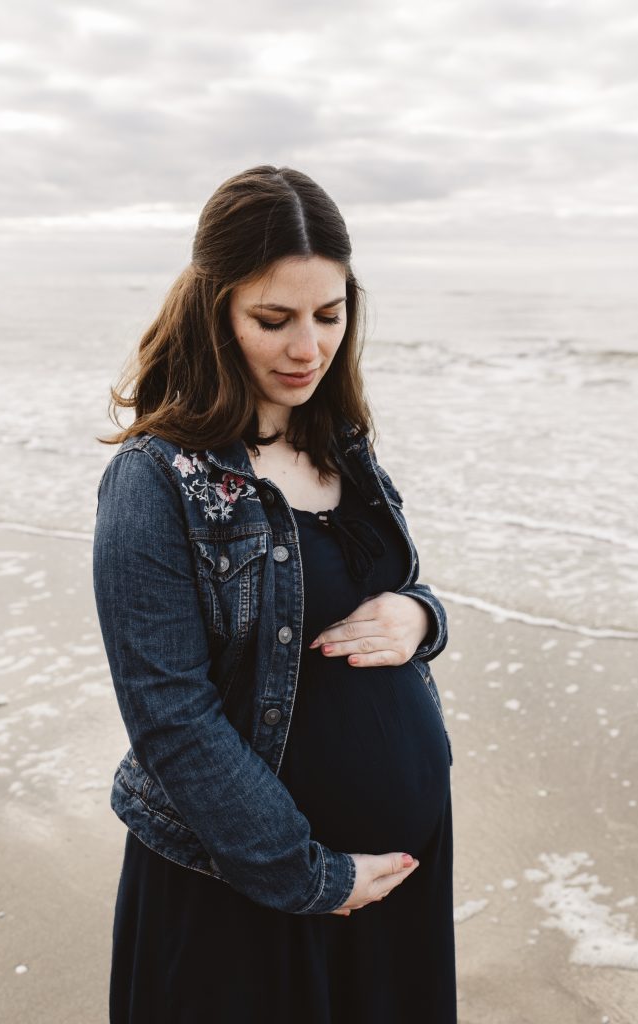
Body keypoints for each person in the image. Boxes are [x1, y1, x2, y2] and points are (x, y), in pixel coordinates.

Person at [92, 164, 456, 1024]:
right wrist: (310, 877)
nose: (308, 348)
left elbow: (392, 590)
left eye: (329, 316)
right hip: (252, 890)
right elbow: (169, 714)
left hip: (397, 874)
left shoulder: (344, 444)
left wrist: (422, 616)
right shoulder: (156, 482)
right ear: (212, 311)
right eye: (273, 319)